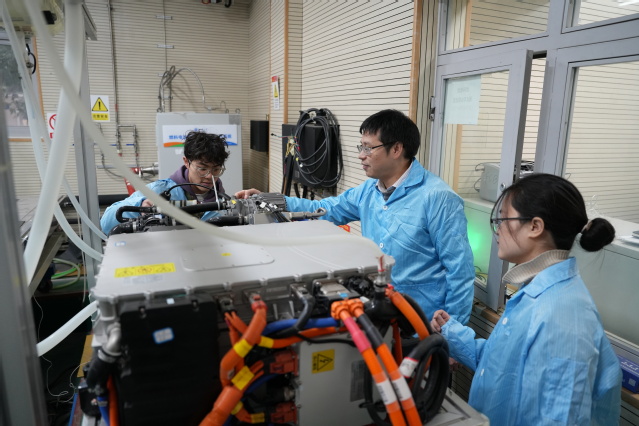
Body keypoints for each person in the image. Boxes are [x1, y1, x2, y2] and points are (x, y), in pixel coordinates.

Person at [236, 109, 475, 325]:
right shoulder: (369, 190)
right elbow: (323, 209)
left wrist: (453, 334)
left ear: (396, 149)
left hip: (422, 321)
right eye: (360, 147)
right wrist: (271, 201)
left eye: (368, 148)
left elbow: (460, 272)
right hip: (380, 313)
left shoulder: (438, 198)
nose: (361, 155)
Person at [430, 173, 622, 425]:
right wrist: (452, 332)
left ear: (535, 227)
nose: (498, 229)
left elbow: (561, 418)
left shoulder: (563, 315)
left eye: (503, 219)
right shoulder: (535, 292)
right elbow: (502, 367)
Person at [100, 130, 229, 234]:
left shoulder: (223, 200)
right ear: (186, 162)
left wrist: (238, 203)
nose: (209, 176)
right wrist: (140, 205)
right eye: (202, 169)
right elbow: (106, 224)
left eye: (216, 169)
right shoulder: (160, 190)